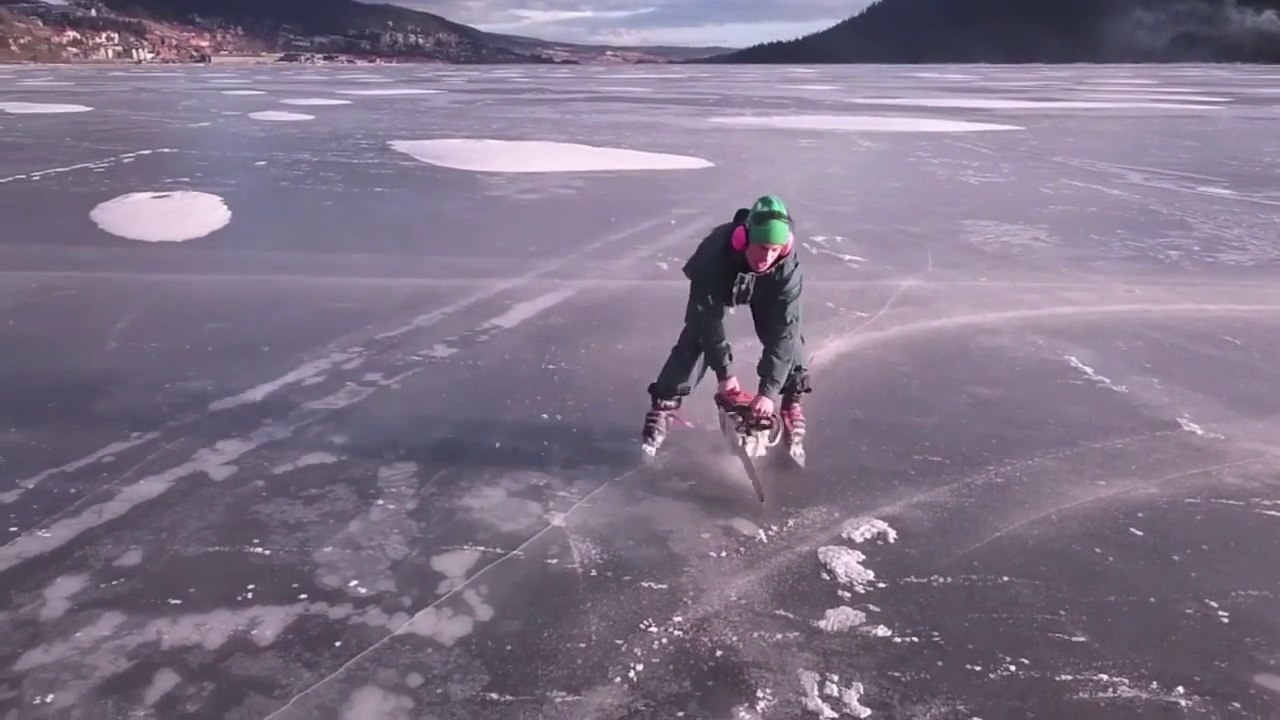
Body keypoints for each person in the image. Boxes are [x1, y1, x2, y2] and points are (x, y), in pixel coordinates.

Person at [641, 194, 811, 454]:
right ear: (745, 240)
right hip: (723, 279)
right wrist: (725, 374)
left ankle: (792, 399)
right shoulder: (714, 253)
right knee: (698, 333)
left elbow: (785, 330)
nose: (767, 257)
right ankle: (665, 403)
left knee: (786, 333)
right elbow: (707, 318)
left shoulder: (787, 268)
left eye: (775, 249)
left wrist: (768, 392)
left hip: (768, 289)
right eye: (762, 247)